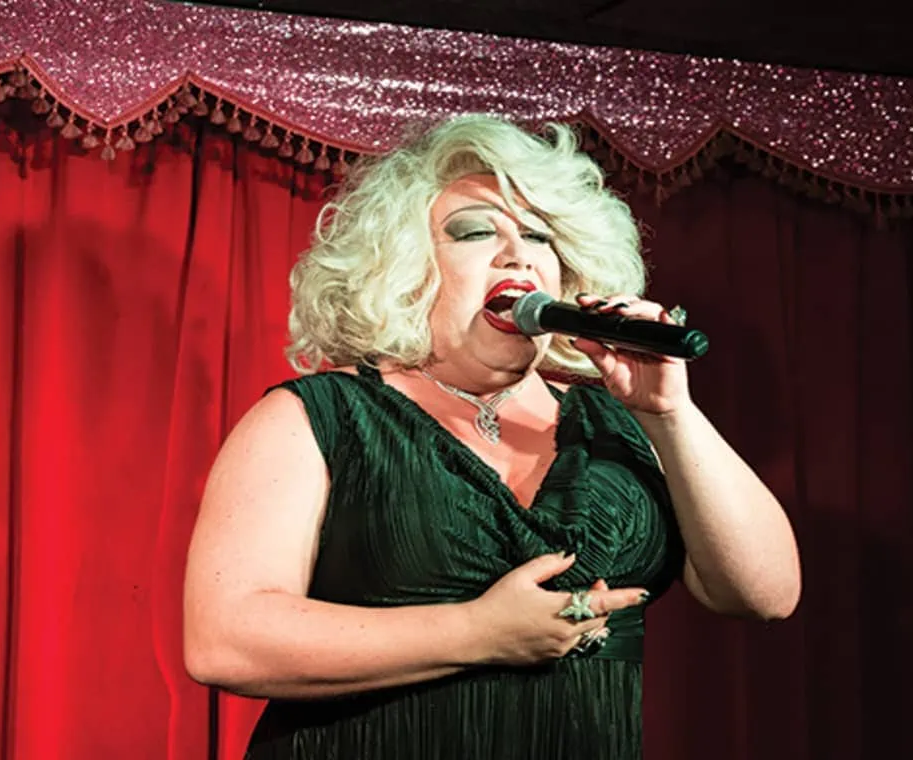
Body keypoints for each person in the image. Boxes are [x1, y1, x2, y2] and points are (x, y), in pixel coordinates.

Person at [182, 114, 801, 759]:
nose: (518, 254)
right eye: (477, 231)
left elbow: (765, 595)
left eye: (539, 235)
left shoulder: (621, 422)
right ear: (404, 268)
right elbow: (225, 640)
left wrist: (670, 414)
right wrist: (476, 633)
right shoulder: (317, 416)